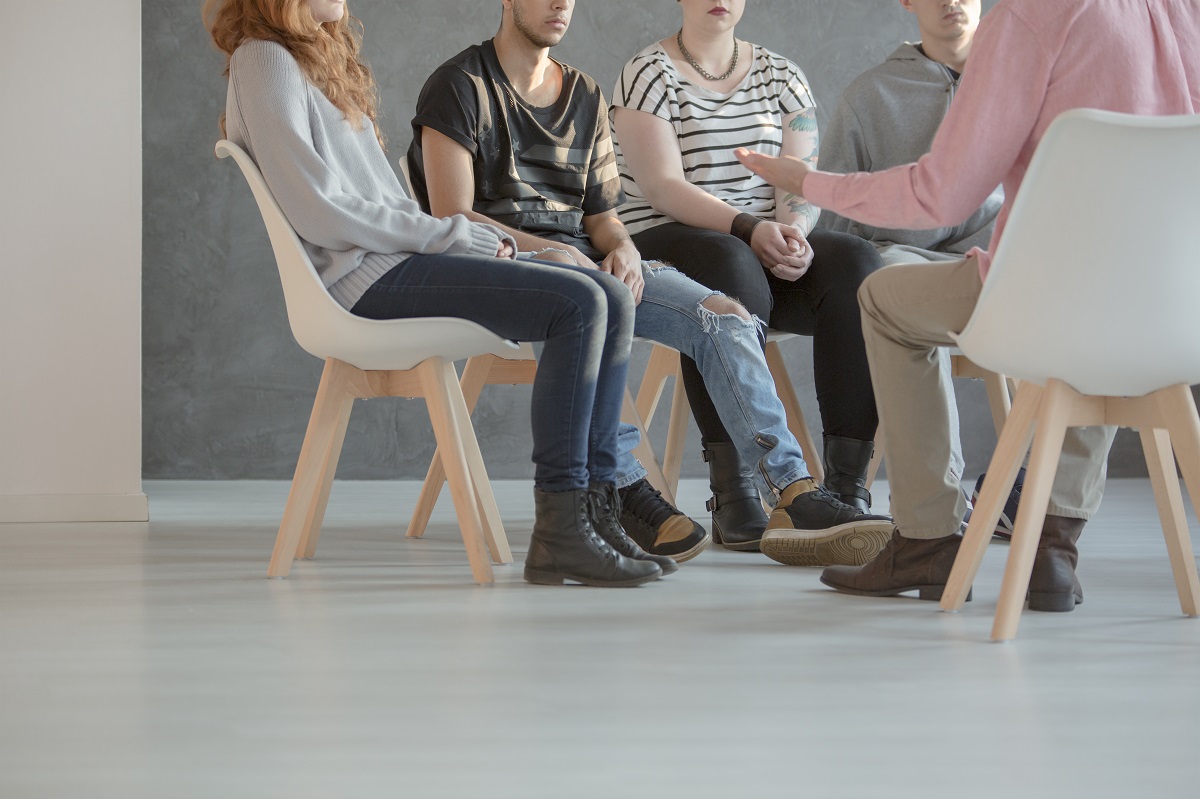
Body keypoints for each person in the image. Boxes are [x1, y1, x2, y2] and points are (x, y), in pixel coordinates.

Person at [736, 0, 1200, 612]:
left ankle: (927, 539)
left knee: (880, 298)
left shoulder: (1033, 18)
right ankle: (1052, 551)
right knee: (1104, 312)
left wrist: (807, 182)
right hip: (1172, 306)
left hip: (1042, 292)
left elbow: (940, 195)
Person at [406, 0, 893, 567]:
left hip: (588, 264)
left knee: (725, 313)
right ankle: (625, 488)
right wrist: (557, 251)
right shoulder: (458, 85)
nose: (561, 4)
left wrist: (625, 250)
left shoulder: (583, 93)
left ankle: (793, 493)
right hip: (504, 265)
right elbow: (452, 216)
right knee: (580, 292)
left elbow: (604, 217)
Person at [203, 0, 666, 587]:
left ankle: (597, 513)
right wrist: (453, 235)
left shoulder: (315, 58)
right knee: (577, 302)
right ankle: (560, 529)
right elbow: (320, 211)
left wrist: (468, 240)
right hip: (362, 281)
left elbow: (386, 204)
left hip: (396, 262)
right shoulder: (263, 60)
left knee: (606, 292)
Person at [609, 0, 889, 561]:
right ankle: (735, 493)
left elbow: (800, 182)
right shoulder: (648, 73)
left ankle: (840, 492)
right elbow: (663, 188)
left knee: (859, 265)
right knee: (729, 264)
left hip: (763, 244)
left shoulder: (782, 75)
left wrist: (794, 232)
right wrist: (748, 227)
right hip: (668, 245)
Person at [818, 0, 1022, 538]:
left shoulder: (1024, 77)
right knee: (883, 285)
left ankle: (1022, 489)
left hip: (1001, 257)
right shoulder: (870, 94)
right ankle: (937, 520)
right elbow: (837, 221)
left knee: (1063, 287)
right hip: (903, 255)